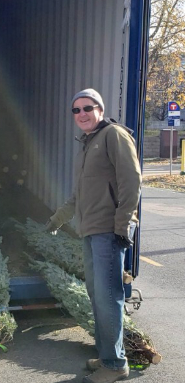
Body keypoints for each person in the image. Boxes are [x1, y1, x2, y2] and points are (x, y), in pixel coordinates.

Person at [45, 88, 142, 383]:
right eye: (76, 110)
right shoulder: (87, 145)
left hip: (108, 231)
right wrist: (56, 220)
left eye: (87, 108)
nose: (81, 114)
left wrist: (124, 224)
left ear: (99, 108)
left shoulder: (113, 135)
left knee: (109, 296)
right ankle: (106, 355)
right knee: (97, 296)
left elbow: (132, 179)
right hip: (89, 231)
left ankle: (115, 365)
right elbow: (78, 196)